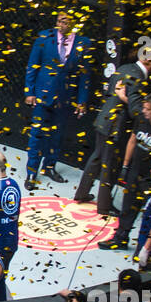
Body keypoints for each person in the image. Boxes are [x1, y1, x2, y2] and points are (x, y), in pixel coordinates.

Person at [75, 47, 151, 214]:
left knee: (97, 158)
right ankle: (104, 207)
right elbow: (136, 110)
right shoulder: (137, 78)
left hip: (104, 120)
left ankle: (82, 193)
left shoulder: (124, 68)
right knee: (109, 166)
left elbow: (109, 92)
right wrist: (126, 99)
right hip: (116, 127)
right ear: (147, 60)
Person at [100, 92, 151, 251]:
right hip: (134, 172)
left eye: (148, 109)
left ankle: (147, 246)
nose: (144, 111)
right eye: (144, 107)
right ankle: (120, 238)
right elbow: (132, 141)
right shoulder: (141, 120)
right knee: (127, 207)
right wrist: (125, 166)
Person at [24, 11, 93, 187]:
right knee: (37, 134)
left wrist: (81, 101)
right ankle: (31, 172)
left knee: (57, 135)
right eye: (59, 21)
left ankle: (49, 166)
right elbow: (33, 65)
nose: (61, 24)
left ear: (74, 23)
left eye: (66, 21)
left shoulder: (83, 44)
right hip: (42, 95)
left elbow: (85, 76)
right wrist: (29, 92)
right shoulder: (44, 38)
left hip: (65, 98)